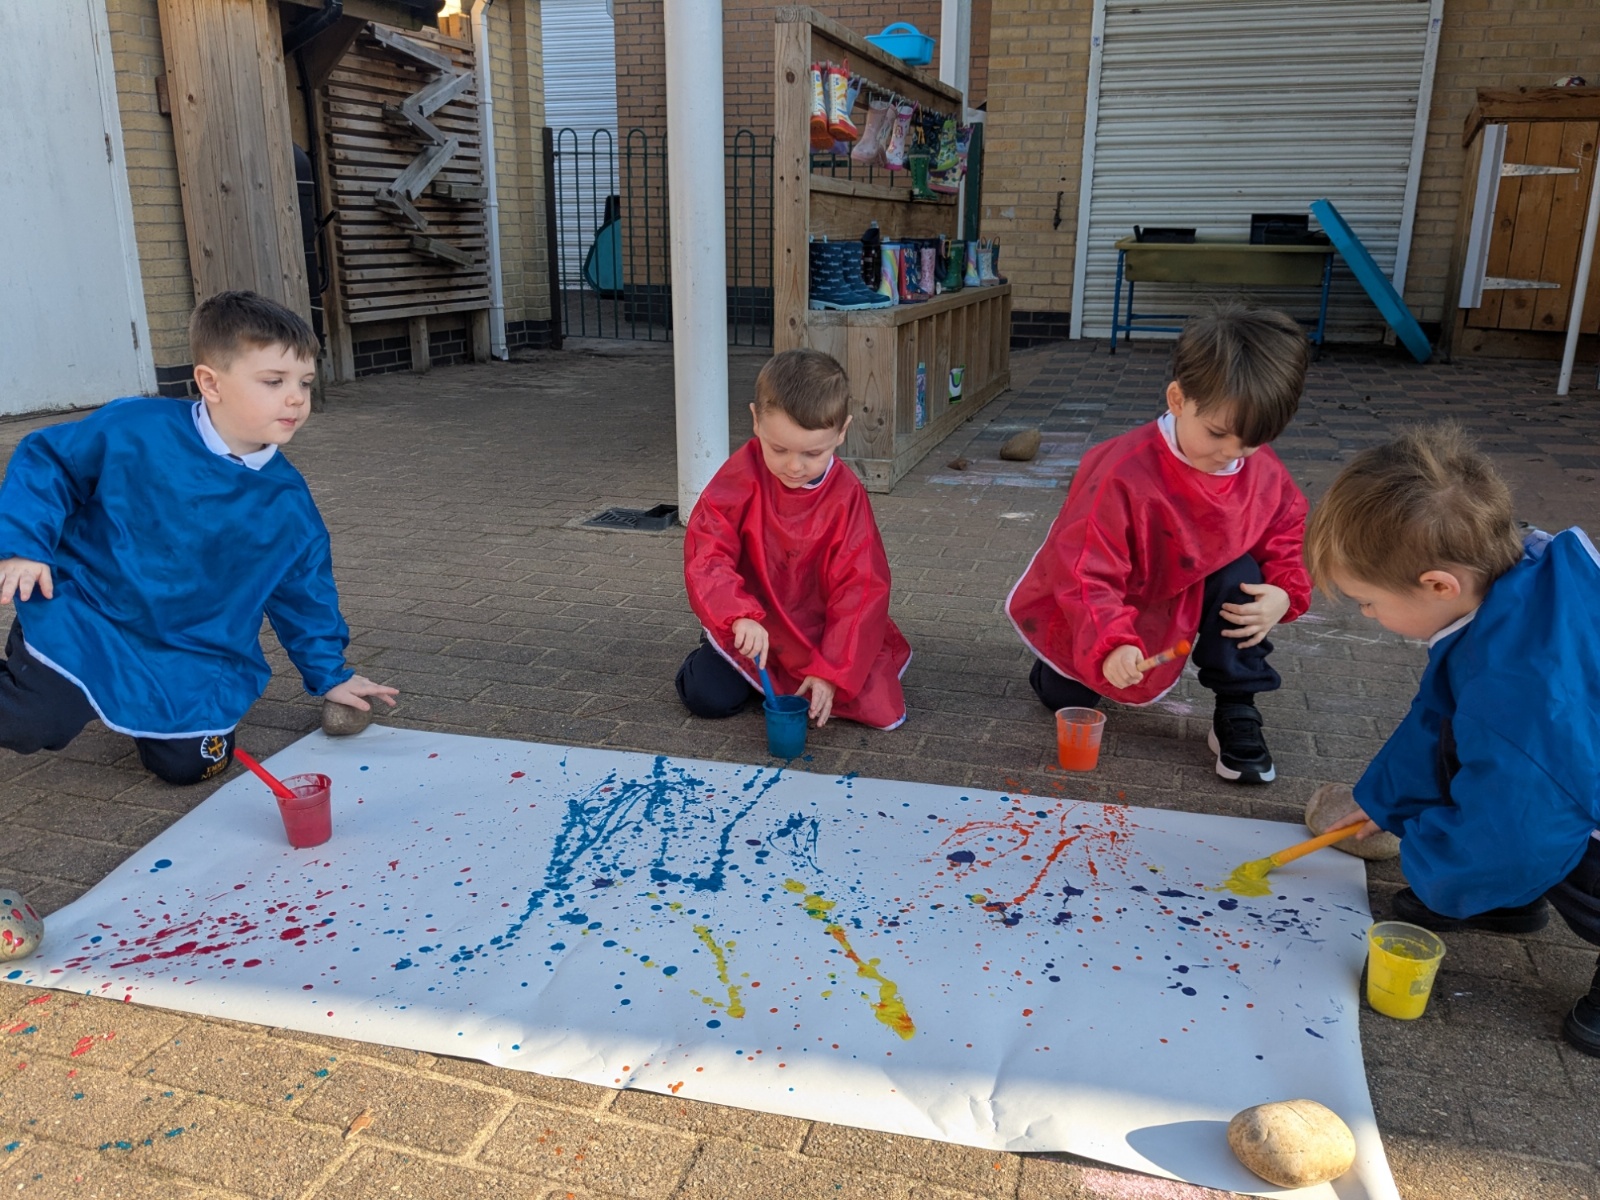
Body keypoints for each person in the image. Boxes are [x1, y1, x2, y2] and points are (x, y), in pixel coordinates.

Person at [0, 290, 397, 785]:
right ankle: (52, 687)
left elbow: (303, 594)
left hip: (190, 648)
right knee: (33, 722)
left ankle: (147, 714)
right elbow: (48, 461)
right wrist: (24, 546)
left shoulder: (288, 506)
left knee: (191, 766)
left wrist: (330, 674)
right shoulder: (135, 429)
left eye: (305, 382)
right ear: (210, 383)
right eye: (273, 381)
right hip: (91, 615)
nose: (296, 397)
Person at [1305, 425, 1600, 1056]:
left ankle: (1502, 892)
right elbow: (1439, 716)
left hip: (1572, 797)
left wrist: (1441, 867)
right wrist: (1385, 800)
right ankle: (1506, 902)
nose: (1367, 616)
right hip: (1557, 772)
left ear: (1439, 585)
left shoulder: (1519, 689)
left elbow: (1516, 828)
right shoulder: (1511, 584)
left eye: (1366, 602)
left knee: (1574, 858)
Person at [1005, 304, 1312, 783]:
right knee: (1064, 697)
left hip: (1197, 590)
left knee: (1245, 582)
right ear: (1178, 399)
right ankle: (1059, 667)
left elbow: (1285, 527)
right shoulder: (1121, 471)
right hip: (1121, 598)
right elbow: (1085, 570)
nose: (1230, 454)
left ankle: (1237, 706)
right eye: (1217, 434)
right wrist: (1111, 643)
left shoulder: (1259, 468)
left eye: (1251, 442)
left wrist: (1285, 592)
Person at [678, 348, 911, 730]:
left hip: (818, 633)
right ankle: (720, 655)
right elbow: (708, 554)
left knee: (869, 702)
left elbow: (861, 588)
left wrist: (831, 670)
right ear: (756, 421)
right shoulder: (739, 477)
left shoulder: (846, 495)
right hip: (754, 625)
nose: (794, 466)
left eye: (813, 453)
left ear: (842, 432)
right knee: (706, 695)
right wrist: (737, 615)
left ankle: (791, 680)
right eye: (779, 448)